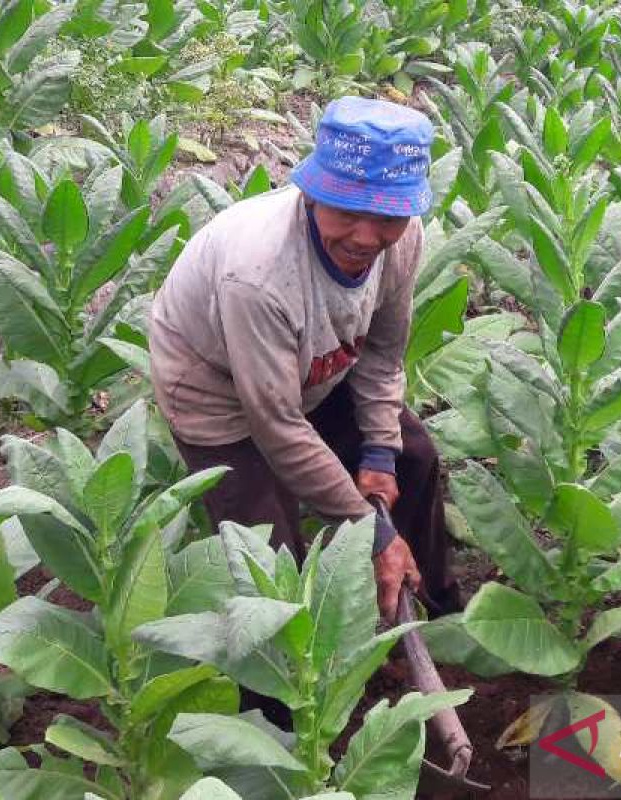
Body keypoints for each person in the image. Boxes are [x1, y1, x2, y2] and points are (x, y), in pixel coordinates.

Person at [149, 96, 459, 622]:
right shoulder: (258, 273)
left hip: (317, 367)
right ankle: (272, 701)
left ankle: (433, 615)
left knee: (412, 456)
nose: (365, 237)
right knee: (270, 556)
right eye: (346, 211)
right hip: (216, 389)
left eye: (386, 215)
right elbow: (277, 425)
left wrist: (380, 453)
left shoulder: (402, 242)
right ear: (312, 195)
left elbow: (382, 354)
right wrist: (372, 529)